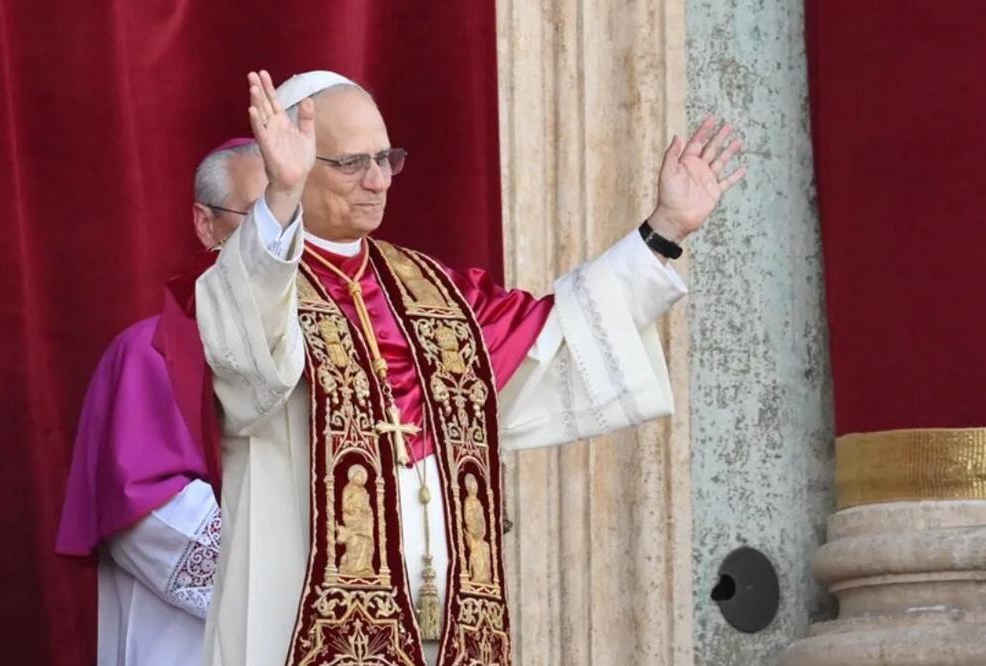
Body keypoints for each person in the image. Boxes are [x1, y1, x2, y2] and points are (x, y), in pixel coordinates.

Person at [199, 69, 746, 666]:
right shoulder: (258, 279)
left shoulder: (436, 293)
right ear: (299, 163)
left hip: (450, 624)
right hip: (300, 624)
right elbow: (248, 360)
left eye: (387, 159)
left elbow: (556, 335)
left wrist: (663, 231)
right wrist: (278, 199)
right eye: (353, 163)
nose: (379, 181)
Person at [55, 138, 268, 666]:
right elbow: (145, 513)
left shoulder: (341, 350)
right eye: (261, 215)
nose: (282, 241)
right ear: (206, 224)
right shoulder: (151, 353)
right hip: (186, 643)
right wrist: (287, 576)